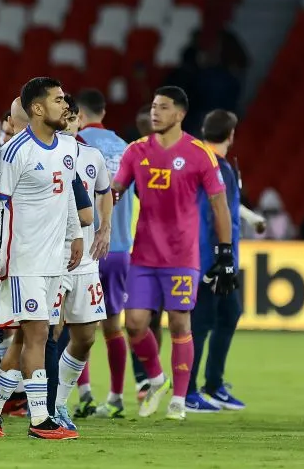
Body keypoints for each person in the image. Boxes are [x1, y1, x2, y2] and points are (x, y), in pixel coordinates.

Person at [111, 86, 234, 421]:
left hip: (182, 255)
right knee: (134, 324)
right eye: (153, 106)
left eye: (163, 108)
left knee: (180, 322)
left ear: (179, 114)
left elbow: (219, 204)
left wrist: (225, 253)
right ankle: (157, 378)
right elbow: (115, 191)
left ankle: (179, 399)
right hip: (144, 255)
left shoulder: (199, 153)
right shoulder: (136, 151)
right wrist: (100, 218)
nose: (155, 113)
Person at [0, 77, 83, 441]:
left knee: (25, 340)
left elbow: (69, 195)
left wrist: (74, 234)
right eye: (58, 100)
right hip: (23, 259)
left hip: (55, 259)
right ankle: (40, 419)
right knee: (39, 332)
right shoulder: (12, 153)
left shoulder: (68, 146)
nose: (65, 106)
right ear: (37, 108)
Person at [51, 97, 113, 430]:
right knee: (50, 331)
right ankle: (38, 402)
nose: (70, 122)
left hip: (87, 261)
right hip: (52, 258)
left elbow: (105, 193)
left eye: (74, 118)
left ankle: (59, 402)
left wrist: (106, 228)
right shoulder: (41, 153)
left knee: (87, 335)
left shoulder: (92, 157)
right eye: (65, 116)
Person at [73, 88, 134, 419]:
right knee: (113, 326)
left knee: (79, 326)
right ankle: (117, 396)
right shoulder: (126, 148)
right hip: (119, 246)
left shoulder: (74, 146)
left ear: (78, 116)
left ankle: (84, 395)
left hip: (84, 247)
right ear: (104, 113)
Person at [187, 110, 246, 413]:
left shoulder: (210, 163)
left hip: (217, 257)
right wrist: (217, 260)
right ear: (231, 135)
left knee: (228, 313)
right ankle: (189, 391)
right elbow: (212, 216)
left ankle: (212, 384)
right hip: (212, 259)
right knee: (202, 321)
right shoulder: (214, 166)